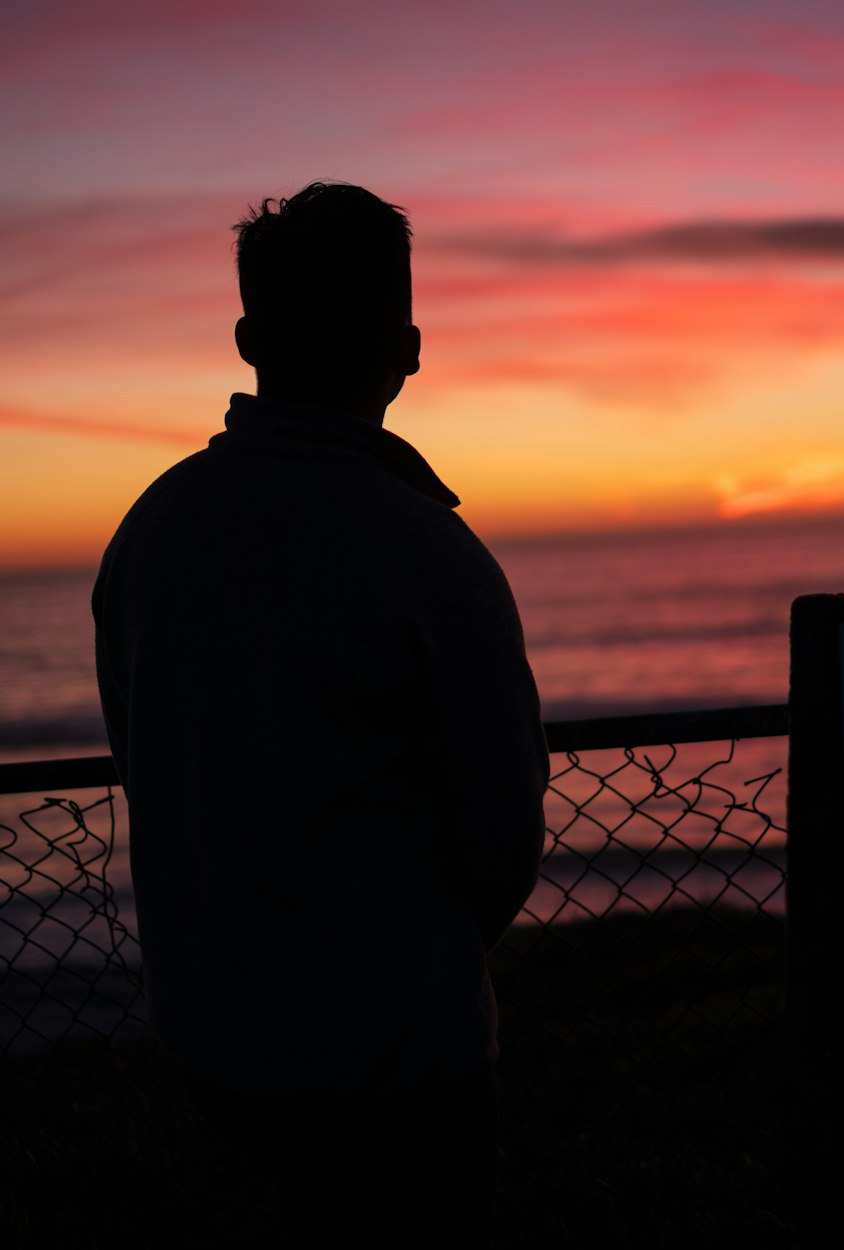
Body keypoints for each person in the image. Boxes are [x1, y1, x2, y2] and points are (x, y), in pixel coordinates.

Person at [92, 181, 549, 1246]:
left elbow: (146, 757)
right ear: (409, 346)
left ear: (248, 338)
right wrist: (407, 957)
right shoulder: (430, 554)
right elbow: (500, 836)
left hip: (211, 1037)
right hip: (397, 1054)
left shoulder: (150, 534)